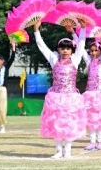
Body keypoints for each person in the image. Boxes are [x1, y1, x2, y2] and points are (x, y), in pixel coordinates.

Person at [34, 19, 87, 159]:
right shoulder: (53, 59)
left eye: (68, 48)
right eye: (62, 48)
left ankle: (68, 151)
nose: (65, 51)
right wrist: (36, 30)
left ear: (71, 50)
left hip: (71, 97)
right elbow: (41, 46)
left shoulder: (75, 60)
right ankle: (58, 151)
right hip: (56, 97)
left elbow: (81, 44)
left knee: (69, 123)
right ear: (58, 49)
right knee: (56, 123)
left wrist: (83, 29)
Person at [0, 42, 16, 134]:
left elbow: (12, 58)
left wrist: (13, 47)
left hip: (2, 89)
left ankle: (2, 126)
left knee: (2, 108)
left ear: (2, 61)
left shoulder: (6, 68)